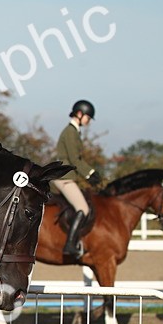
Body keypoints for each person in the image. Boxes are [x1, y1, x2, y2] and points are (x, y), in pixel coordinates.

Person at [51, 99, 102, 259]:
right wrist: (90, 173)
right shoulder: (71, 132)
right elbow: (74, 159)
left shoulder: (74, 131)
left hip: (67, 175)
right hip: (64, 176)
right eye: (88, 117)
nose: (88, 121)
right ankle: (70, 245)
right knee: (83, 208)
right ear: (79, 114)